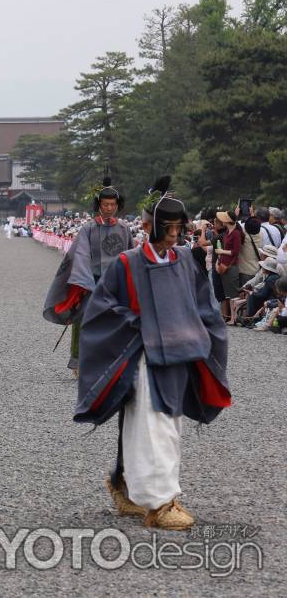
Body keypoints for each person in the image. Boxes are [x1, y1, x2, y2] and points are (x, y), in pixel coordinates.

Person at [75, 176, 230, 530]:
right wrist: (136, 324)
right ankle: (159, 503)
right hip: (144, 356)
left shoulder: (186, 261)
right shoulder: (127, 263)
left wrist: (207, 338)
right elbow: (101, 310)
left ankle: (130, 485)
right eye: (167, 227)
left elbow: (205, 306)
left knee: (165, 426)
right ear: (146, 226)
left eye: (179, 227)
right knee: (152, 426)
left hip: (180, 355)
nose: (174, 234)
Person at [43, 178, 134, 375]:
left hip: (117, 283)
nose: (109, 208)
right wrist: (85, 280)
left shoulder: (124, 228)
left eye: (112, 204)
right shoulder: (89, 228)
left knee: (118, 320)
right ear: (99, 206)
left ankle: (114, 361)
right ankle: (79, 361)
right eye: (105, 204)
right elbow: (80, 254)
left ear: (118, 206)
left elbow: (131, 255)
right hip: (91, 282)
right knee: (82, 318)